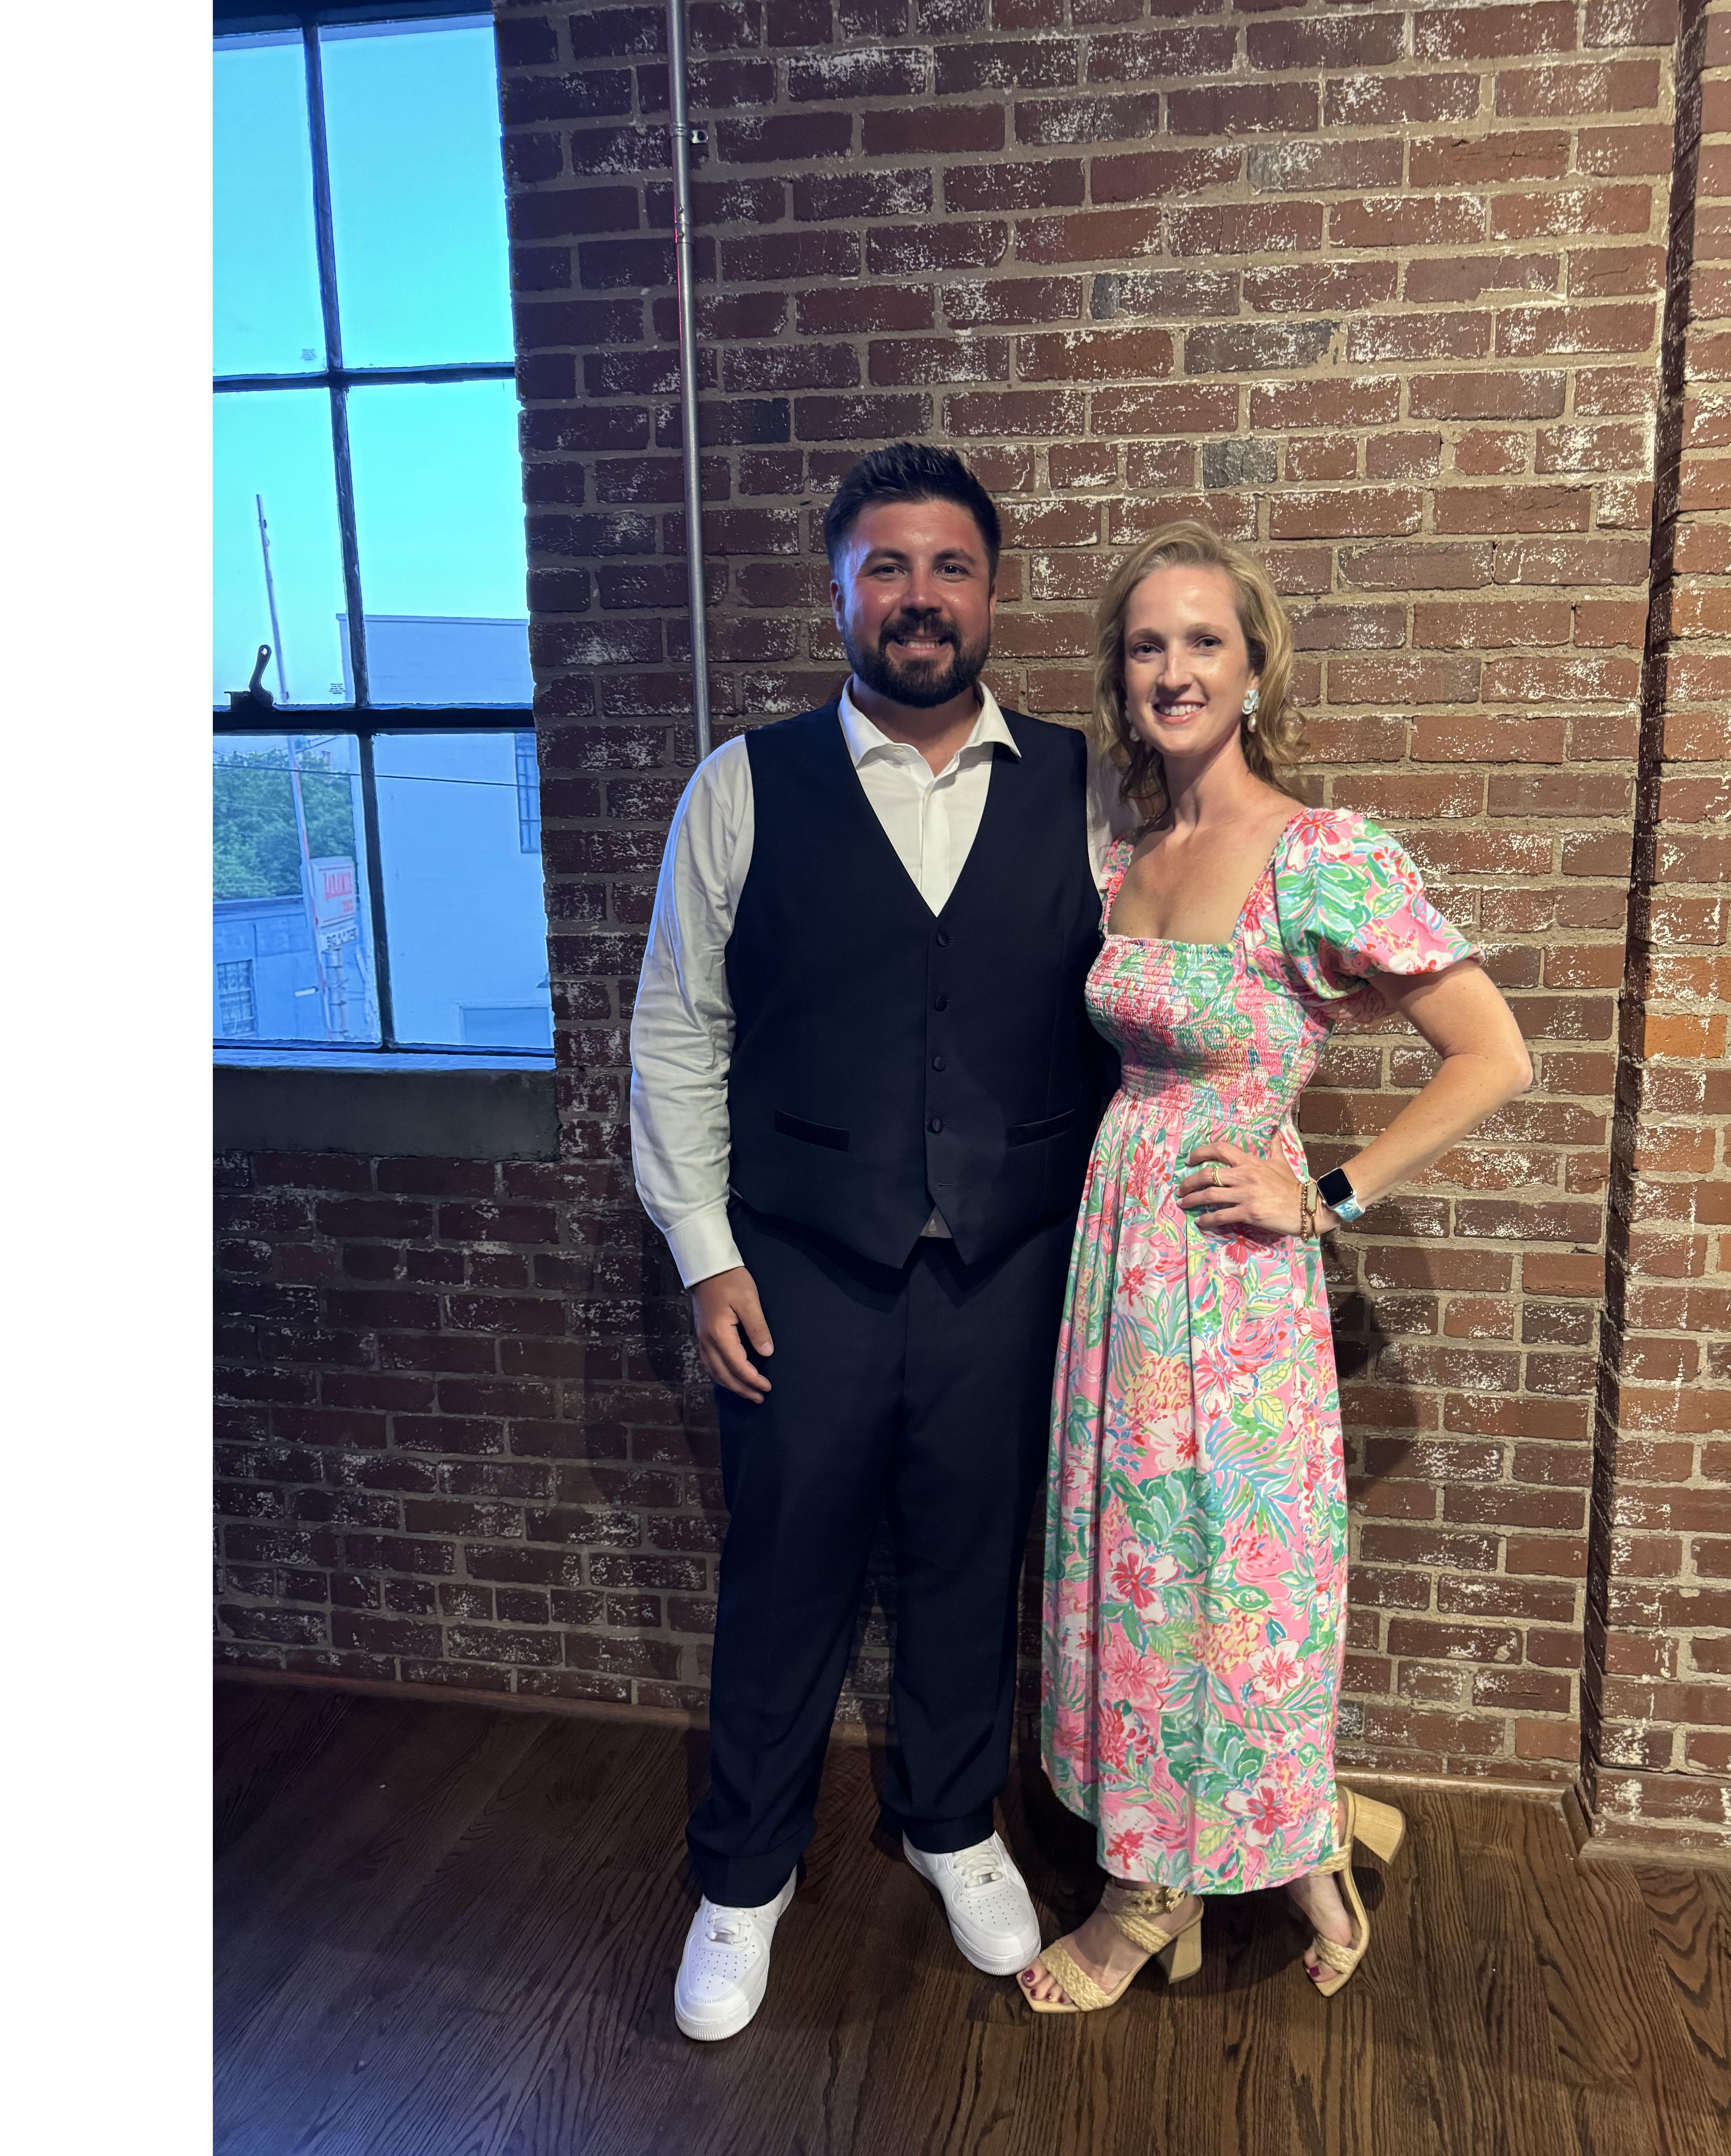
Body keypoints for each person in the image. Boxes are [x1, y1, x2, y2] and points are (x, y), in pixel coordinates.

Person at [628, 443, 1120, 2042]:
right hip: (797, 1264)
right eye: (887, 568)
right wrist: (704, 1251)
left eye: (949, 567)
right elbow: (677, 1029)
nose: (920, 597)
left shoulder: (1088, 787)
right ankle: (743, 1875)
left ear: (994, 591)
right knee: (785, 1569)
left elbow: (1165, 986)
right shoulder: (742, 784)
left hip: (1011, 1263)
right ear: (838, 591)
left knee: (975, 1559)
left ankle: (952, 1823)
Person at [1016, 522, 1534, 2014]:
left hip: (1233, 1286)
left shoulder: (1321, 855)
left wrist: (1326, 1195)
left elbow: (1493, 1053)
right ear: (1121, 678)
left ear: (1255, 671)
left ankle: (1156, 1891)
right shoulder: (1128, 853)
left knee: (1220, 1575)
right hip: (1122, 1259)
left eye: (1205, 642)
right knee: (1137, 1561)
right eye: (1148, 645)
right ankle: (1274, 1836)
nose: (1174, 670)